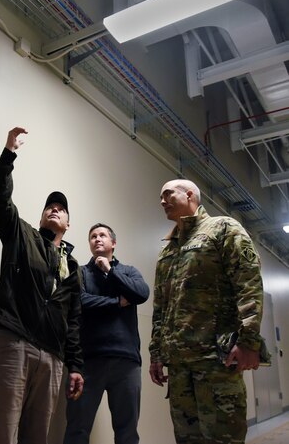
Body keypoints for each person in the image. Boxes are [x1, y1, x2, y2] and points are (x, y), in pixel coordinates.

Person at [0, 126, 84, 444]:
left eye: (62, 209)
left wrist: (75, 365)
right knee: (1, 433)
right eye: (49, 207)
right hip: (15, 341)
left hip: (52, 358)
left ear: (68, 224)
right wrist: (9, 154)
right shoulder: (21, 234)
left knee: (37, 437)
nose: (55, 209)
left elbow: (74, 321)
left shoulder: (73, 267)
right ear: (41, 218)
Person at [149, 179, 264, 444]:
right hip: (179, 366)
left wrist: (249, 340)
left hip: (216, 361)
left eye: (167, 194)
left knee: (223, 438)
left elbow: (248, 283)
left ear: (190, 194)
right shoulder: (167, 250)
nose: (162, 201)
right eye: (160, 196)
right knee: (187, 439)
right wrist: (156, 352)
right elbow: (161, 307)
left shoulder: (223, 228)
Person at [63, 223, 150, 444]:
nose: (97, 239)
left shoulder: (128, 271)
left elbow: (141, 294)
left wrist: (110, 271)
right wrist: (117, 302)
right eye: (93, 236)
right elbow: (80, 301)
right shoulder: (80, 272)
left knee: (127, 431)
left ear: (113, 243)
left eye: (102, 235)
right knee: (77, 428)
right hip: (89, 362)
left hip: (126, 362)